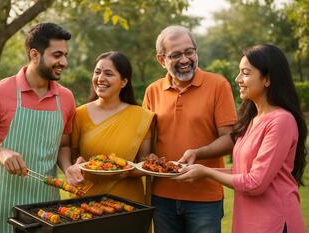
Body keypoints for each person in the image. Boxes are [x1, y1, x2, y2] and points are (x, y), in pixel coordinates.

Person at [176, 44, 307, 233]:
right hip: (250, 221)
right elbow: (243, 172)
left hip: (274, 223)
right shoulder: (252, 120)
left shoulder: (281, 121)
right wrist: (198, 170)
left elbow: (255, 183)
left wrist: (206, 172)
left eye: (245, 73)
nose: (238, 79)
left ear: (268, 79)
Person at [0, 23, 80, 233]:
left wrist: (67, 167)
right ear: (35, 54)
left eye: (65, 55)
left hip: (46, 206)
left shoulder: (66, 98)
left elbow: (63, 143)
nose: (64, 62)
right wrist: (0, 151)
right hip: (2, 203)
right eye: (57, 55)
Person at [142, 25, 237, 233]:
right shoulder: (152, 91)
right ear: (161, 60)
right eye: (176, 55)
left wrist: (198, 153)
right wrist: (146, 159)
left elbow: (230, 139)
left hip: (204, 198)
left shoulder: (218, 85)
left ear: (196, 52)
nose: (184, 60)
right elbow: (146, 141)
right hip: (162, 197)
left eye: (189, 52)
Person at [71, 51, 155, 203]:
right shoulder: (79, 114)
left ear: (123, 82)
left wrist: (128, 171)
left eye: (108, 74)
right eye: (97, 72)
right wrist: (77, 164)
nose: (100, 78)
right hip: (87, 199)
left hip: (128, 200)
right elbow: (73, 155)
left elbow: (144, 161)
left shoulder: (140, 116)